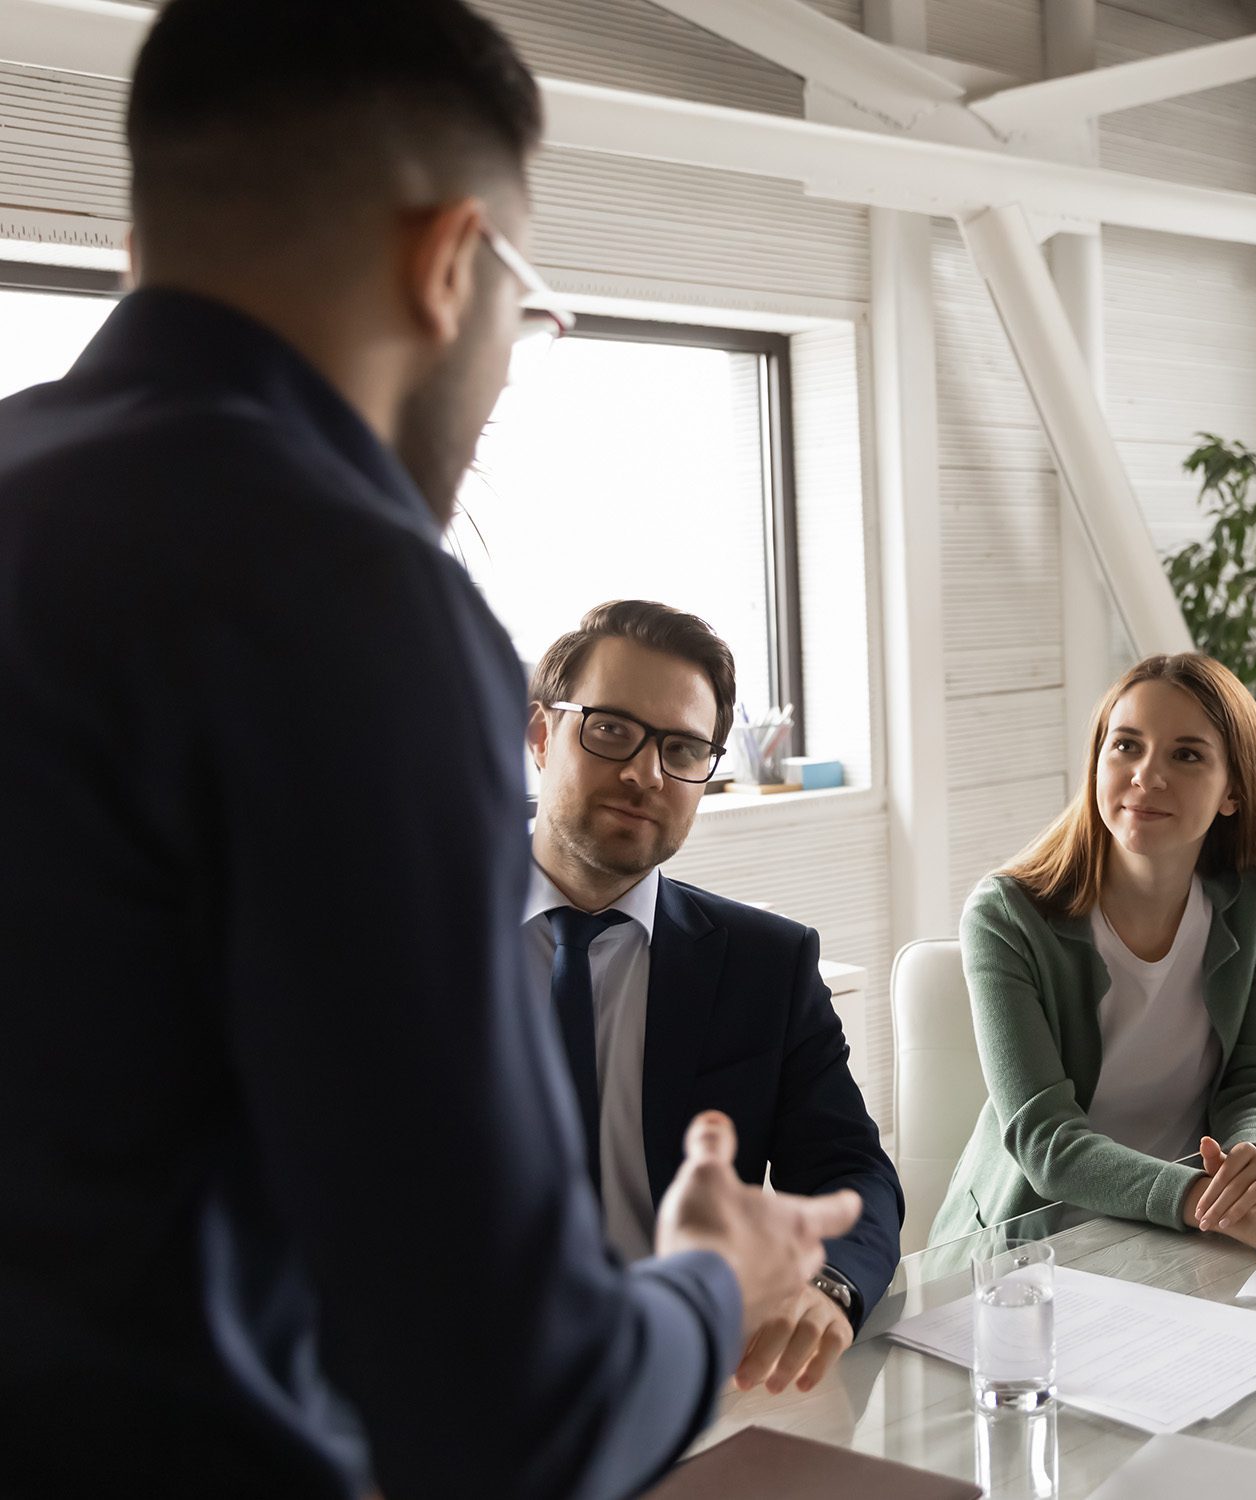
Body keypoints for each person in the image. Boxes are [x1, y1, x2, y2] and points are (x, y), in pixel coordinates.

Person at [0, 4, 858, 1496]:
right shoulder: (342, 594)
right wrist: (716, 1277)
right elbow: (506, 1406)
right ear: (449, 260)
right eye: (527, 306)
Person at [524, 601, 903, 1394]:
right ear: (539, 736)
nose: (645, 773)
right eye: (610, 730)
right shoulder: (410, 939)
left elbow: (850, 1172)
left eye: (683, 748)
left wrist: (825, 1287)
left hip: (690, 1376)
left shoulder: (767, 963)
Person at [931, 654, 1256, 1266]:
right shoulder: (1007, 916)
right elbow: (1046, 1142)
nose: (1147, 775)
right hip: (1034, 1249)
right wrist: (1214, 1207)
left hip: (1189, 1233)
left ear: (1233, 791)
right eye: (1126, 746)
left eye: (1187, 754)